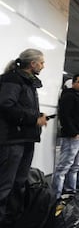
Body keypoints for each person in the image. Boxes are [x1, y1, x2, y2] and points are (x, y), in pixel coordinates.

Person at [0, 49, 49, 227]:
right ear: (33, 63)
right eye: (42, 63)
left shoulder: (28, 83)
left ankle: (11, 221)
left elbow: (22, 107)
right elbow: (6, 105)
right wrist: (34, 119)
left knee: (18, 184)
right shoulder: (12, 80)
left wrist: (37, 116)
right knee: (5, 185)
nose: (43, 66)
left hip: (25, 139)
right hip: (12, 140)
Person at [52, 73, 79, 201]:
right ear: (73, 83)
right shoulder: (68, 96)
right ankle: (56, 195)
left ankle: (71, 193)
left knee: (75, 166)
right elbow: (65, 116)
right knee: (64, 166)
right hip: (72, 136)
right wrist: (73, 133)